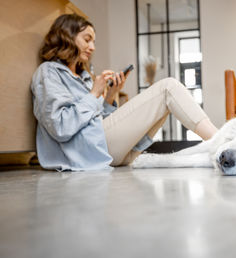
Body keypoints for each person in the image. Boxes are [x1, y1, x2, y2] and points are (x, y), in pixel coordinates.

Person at [31, 14, 218, 171]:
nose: (92, 47)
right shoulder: (48, 72)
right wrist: (94, 94)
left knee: (165, 101)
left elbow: (96, 121)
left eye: (93, 41)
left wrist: (111, 95)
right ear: (67, 36)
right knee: (168, 87)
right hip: (87, 151)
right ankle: (222, 142)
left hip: (101, 149)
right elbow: (60, 126)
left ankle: (220, 141)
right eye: (87, 39)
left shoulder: (84, 77)